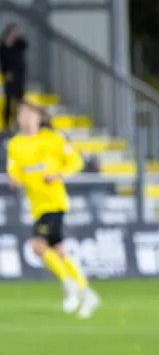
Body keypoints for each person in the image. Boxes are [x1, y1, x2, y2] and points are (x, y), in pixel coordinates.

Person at [7, 101, 98, 317]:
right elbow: (15, 172)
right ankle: (87, 293)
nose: (27, 118)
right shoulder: (15, 145)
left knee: (37, 246)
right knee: (59, 252)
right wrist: (15, 180)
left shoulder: (53, 139)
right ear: (18, 119)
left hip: (55, 203)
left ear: (40, 118)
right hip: (37, 205)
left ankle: (69, 286)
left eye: (31, 114)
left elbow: (76, 161)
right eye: (23, 114)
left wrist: (58, 174)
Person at [1, 23, 27, 130]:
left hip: (19, 75)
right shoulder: (3, 46)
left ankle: (18, 122)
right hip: (9, 76)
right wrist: (6, 73)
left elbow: (25, 45)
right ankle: (7, 124)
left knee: (19, 100)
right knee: (8, 100)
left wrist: (17, 37)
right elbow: (3, 62)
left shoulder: (19, 45)